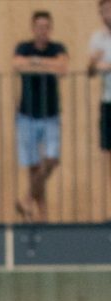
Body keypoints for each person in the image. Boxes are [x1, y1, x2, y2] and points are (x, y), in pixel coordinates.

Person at [13, 10, 70, 222]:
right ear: (33, 28)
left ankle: (27, 198)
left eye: (46, 27)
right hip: (27, 114)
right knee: (33, 166)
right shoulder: (23, 47)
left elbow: (62, 68)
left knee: (52, 159)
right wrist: (46, 64)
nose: (42, 31)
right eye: (39, 27)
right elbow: (17, 64)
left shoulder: (58, 48)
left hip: (50, 113)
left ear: (50, 29)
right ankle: (40, 215)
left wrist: (34, 64)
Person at [90, 0, 111, 198]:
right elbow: (92, 70)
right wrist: (94, 63)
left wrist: (105, 66)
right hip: (107, 101)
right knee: (108, 153)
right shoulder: (98, 38)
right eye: (105, 10)